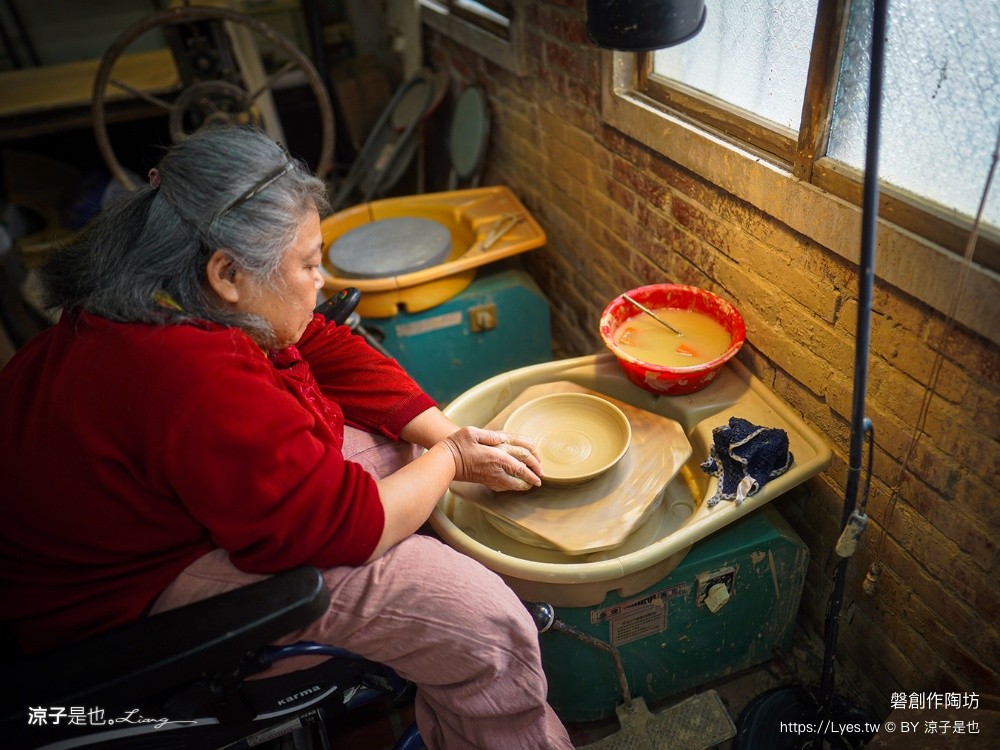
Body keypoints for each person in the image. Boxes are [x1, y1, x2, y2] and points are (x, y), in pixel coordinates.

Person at [0, 126, 574, 749]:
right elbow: (344, 525)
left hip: (133, 513)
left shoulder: (157, 290)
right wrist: (454, 457)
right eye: (308, 264)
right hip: (110, 607)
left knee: (408, 456)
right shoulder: (189, 370)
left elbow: (320, 343)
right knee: (484, 627)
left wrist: (447, 436)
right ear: (227, 273)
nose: (320, 281)